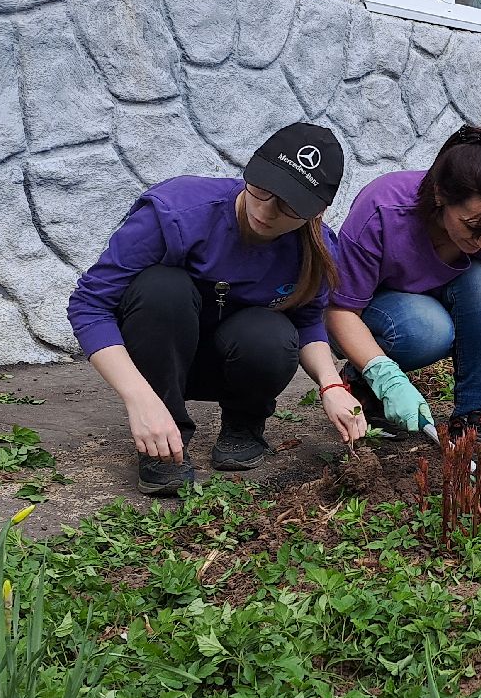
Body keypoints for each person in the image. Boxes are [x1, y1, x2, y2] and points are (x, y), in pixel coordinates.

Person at [68, 123, 368, 496]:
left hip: (234, 363)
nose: (267, 210)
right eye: (262, 188)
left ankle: (243, 424)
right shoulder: (175, 211)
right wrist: (141, 399)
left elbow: (307, 322)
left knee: (271, 333)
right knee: (163, 288)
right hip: (159, 360)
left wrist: (331, 385)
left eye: (290, 204)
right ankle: (163, 440)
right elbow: (89, 305)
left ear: (317, 210)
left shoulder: (317, 250)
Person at [327, 126, 481, 486]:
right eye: (474, 227)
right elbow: (339, 310)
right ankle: (364, 380)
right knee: (426, 328)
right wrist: (385, 374)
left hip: (438, 303)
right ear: (440, 194)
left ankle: (471, 417)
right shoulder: (383, 207)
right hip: (374, 315)